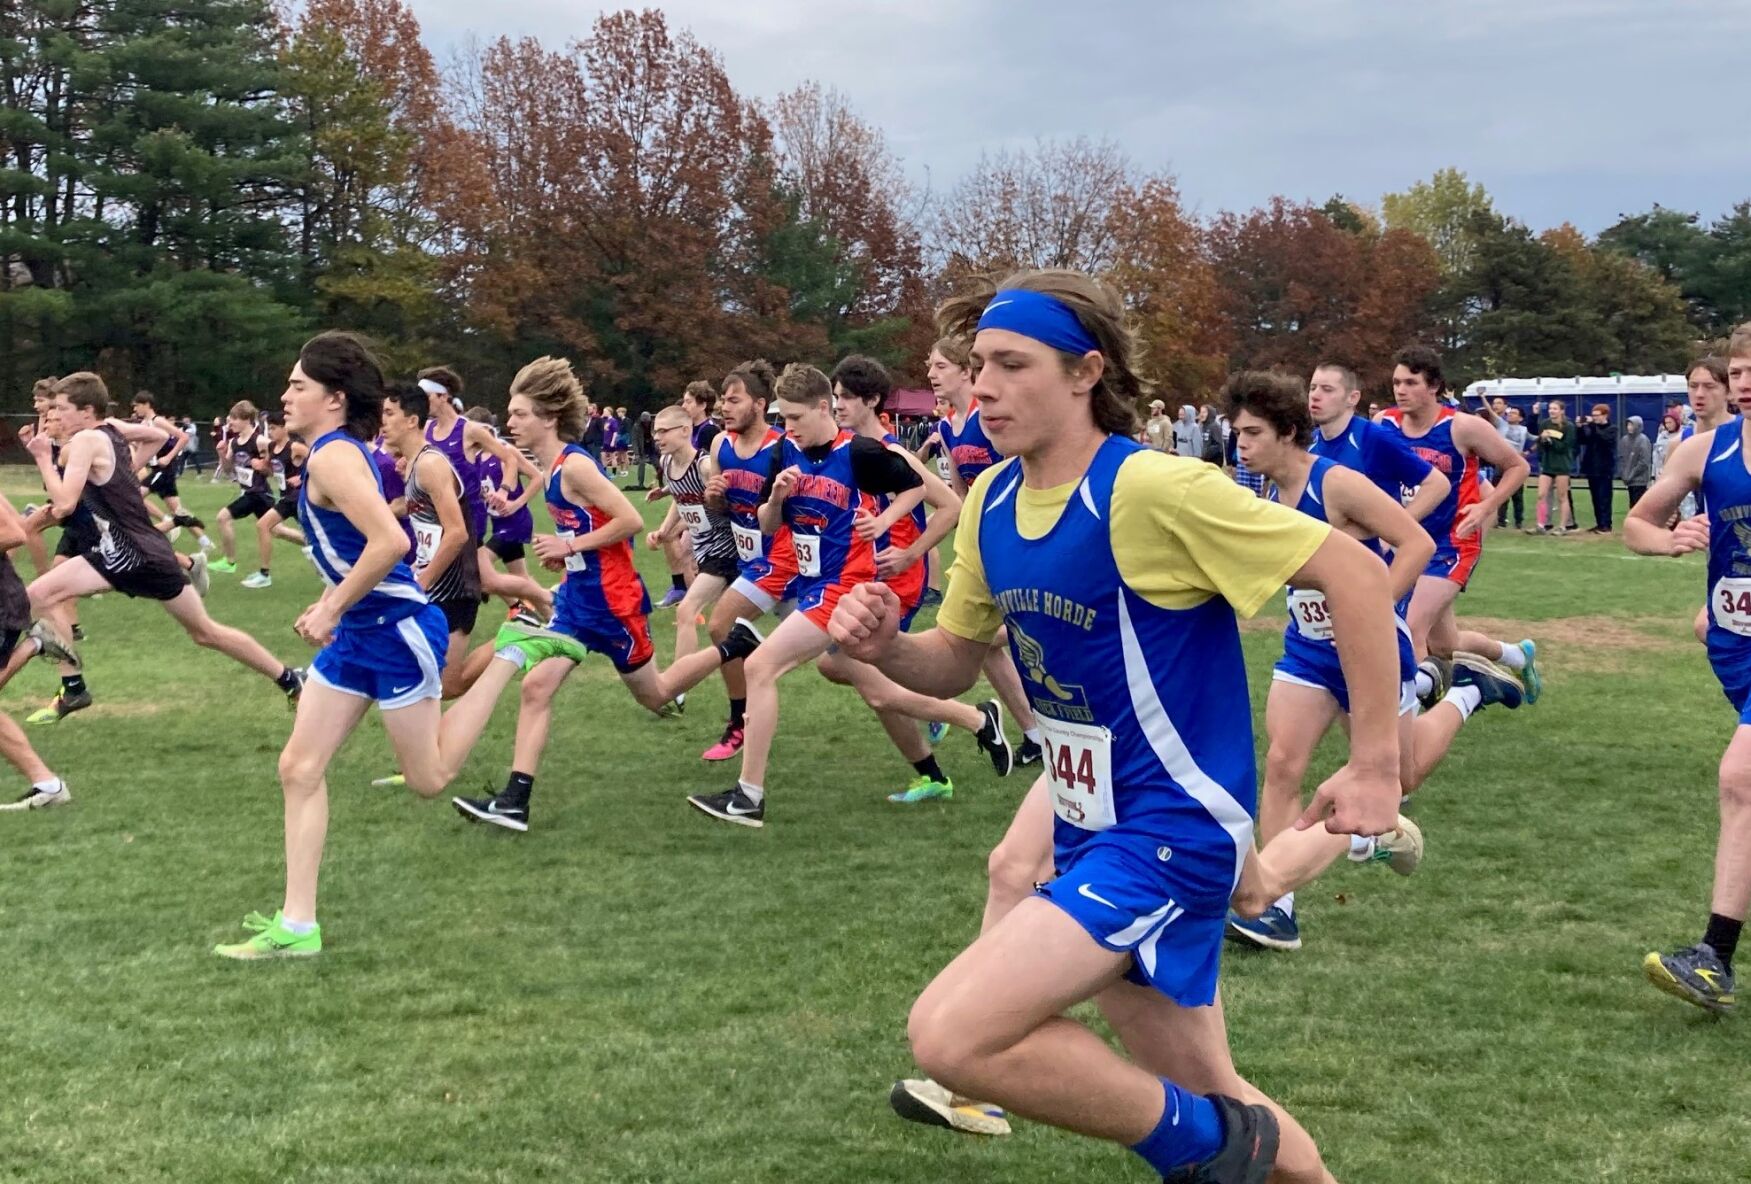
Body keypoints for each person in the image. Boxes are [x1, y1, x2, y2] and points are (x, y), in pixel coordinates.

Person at [831, 269, 1405, 1183]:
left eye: (1010, 364)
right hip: (1090, 826)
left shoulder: (1151, 489)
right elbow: (950, 657)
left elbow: (1356, 573)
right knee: (1208, 1081)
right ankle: (1235, 1144)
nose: (980, 387)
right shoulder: (988, 504)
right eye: (977, 364)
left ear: (1083, 372)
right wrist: (886, 645)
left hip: (1168, 832)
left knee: (952, 1033)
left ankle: (1207, 1153)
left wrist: (1378, 764)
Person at [213, 334, 577, 959]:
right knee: (298, 768)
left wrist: (332, 603)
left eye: (298, 385)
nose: (285, 394)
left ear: (333, 398)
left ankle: (513, 649)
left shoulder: (332, 457)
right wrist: (335, 602)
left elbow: (391, 543)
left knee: (429, 779)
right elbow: (364, 549)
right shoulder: (334, 451)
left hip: (398, 633)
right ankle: (298, 927)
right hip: (361, 633)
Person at [1221, 372, 1526, 951]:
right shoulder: (1267, 497)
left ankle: (1469, 693)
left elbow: (1417, 542)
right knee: (1283, 763)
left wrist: (1369, 610)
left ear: (1289, 433)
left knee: (1402, 777)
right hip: (1308, 652)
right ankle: (1276, 905)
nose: (1242, 445)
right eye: (1237, 433)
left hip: (1373, 653)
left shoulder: (1336, 483)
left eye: (1252, 433)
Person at [450, 358, 765, 833]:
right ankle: (516, 799)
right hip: (579, 599)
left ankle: (734, 646)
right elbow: (592, 526)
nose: (509, 422)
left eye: (518, 414)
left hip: (614, 603)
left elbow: (630, 521)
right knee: (537, 686)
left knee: (655, 695)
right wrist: (568, 556)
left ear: (548, 418)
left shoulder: (575, 465)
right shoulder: (550, 465)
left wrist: (570, 545)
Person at [686, 363, 926, 828]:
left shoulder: (860, 452)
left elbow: (915, 487)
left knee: (761, 666)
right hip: (811, 583)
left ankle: (748, 796)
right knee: (863, 682)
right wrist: (775, 498)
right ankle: (975, 721)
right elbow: (770, 525)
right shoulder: (786, 454)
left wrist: (883, 521)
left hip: (847, 586)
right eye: (783, 417)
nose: (787, 426)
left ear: (823, 407)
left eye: (795, 416)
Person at [23, 374, 302, 713]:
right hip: (128, 552)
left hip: (135, 556)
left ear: (86, 411)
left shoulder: (85, 440)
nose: (57, 415)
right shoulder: (110, 430)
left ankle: (72, 685)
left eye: (63, 408)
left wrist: (40, 457)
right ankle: (288, 679)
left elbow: (65, 504)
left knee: (204, 633)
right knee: (40, 595)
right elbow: (155, 436)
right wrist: (125, 471)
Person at [1621, 322, 1751, 1012]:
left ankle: (1712, 957)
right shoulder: (1705, 450)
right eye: (1736, 372)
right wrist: (1671, 541)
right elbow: (1635, 523)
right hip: (1734, 644)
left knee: (1739, 779)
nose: (1742, 383)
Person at [825, 354, 1015, 802]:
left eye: (846, 398)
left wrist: (910, 553)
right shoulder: (844, 452)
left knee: (853, 670)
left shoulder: (892, 453)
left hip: (895, 583)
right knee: (852, 672)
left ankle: (965, 722)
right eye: (834, 398)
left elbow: (950, 506)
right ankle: (937, 755)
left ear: (872, 402)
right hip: (861, 578)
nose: (837, 406)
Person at [1378, 346, 1536, 697]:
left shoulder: (1461, 427)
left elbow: (1518, 466)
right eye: (1396, 382)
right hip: (1407, 541)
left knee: (1411, 627)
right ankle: (1516, 655)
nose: (1400, 390)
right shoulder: (1384, 424)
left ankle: (1411, 719)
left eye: (1410, 382)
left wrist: (1485, 506)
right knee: (1445, 644)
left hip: (1453, 542)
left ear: (1433, 386)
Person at [927, 335, 1046, 767]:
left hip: (1020, 533)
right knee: (986, 644)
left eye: (940, 366)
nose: (931, 375)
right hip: (985, 537)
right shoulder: (946, 426)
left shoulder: (990, 417)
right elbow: (960, 494)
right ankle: (1035, 734)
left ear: (965, 370)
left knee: (989, 637)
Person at [416, 368, 554, 620]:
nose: (421, 402)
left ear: (442, 396)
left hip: (467, 521)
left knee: (474, 581)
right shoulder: (426, 430)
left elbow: (509, 459)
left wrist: (504, 492)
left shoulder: (469, 430)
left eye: (425, 395)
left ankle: (543, 602)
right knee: (485, 581)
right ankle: (544, 610)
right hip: (436, 519)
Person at [647, 404, 737, 663]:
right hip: (702, 548)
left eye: (664, 431)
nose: (657, 437)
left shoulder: (706, 466)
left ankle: (678, 684)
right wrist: (663, 531)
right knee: (726, 625)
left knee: (687, 610)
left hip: (724, 547)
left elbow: (731, 504)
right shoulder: (666, 462)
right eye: (656, 432)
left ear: (685, 430)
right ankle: (750, 665)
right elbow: (680, 497)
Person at [130, 391, 209, 549]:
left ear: (146, 405)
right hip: (156, 468)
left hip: (164, 469)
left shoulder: (158, 421)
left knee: (134, 496)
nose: (135, 409)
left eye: (137, 405)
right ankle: (205, 542)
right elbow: (141, 447)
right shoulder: (143, 425)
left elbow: (183, 437)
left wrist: (169, 457)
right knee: (179, 511)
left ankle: (144, 533)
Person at [209, 401, 270, 574]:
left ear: (247, 419)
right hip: (250, 493)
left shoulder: (260, 441)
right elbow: (229, 470)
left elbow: (273, 468)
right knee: (278, 530)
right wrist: (221, 453)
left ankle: (229, 563)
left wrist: (263, 466)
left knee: (222, 518)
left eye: (235, 419)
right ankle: (311, 543)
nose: (231, 423)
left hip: (259, 493)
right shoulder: (234, 443)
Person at [1531, 399, 1576, 534]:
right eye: (1550, 408)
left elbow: (1564, 447)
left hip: (1562, 465)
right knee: (1541, 495)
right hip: (1547, 464)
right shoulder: (1545, 424)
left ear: (1561, 411)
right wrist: (1542, 440)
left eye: (1555, 408)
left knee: (1562, 496)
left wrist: (1549, 440)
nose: (1552, 411)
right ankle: (1541, 524)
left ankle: (1562, 526)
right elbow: (1540, 443)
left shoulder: (1569, 426)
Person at [1577, 403, 1617, 533]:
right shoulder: (1593, 427)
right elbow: (1583, 440)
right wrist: (1581, 427)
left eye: (1597, 416)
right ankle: (1599, 523)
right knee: (1595, 497)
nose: (1594, 418)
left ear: (1605, 415)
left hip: (1604, 468)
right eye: (1593, 415)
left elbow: (1604, 439)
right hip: (1592, 467)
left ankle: (1606, 524)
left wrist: (1592, 426)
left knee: (1604, 497)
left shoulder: (1612, 428)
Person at [1496, 407, 1530, 528]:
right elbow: (1490, 411)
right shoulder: (1502, 424)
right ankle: (1500, 520)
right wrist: (1482, 397)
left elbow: (1537, 438)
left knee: (1517, 495)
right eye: (1510, 413)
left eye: (1514, 413)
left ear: (1520, 418)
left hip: (1516, 465)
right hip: (1501, 463)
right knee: (1500, 492)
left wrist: (1529, 451)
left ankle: (1519, 521)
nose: (1511, 414)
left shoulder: (1524, 430)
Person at [1619, 415, 1652, 510]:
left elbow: (1644, 462)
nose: (1629, 427)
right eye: (1628, 425)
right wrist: (1624, 474)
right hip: (1629, 480)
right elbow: (1622, 458)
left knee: (1638, 505)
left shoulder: (1643, 440)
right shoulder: (1624, 439)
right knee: (1632, 505)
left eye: (1632, 425)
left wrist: (1631, 474)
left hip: (1640, 480)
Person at [1654, 411, 1683, 479]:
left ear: (1676, 422)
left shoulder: (1683, 435)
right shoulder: (1662, 436)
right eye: (1666, 423)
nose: (1668, 425)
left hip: (1679, 471)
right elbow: (1656, 455)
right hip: (1662, 471)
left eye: (1670, 422)